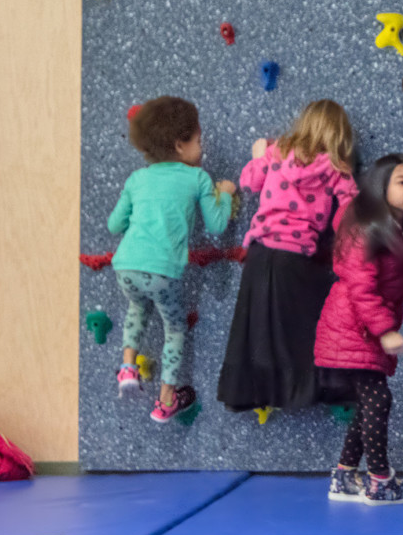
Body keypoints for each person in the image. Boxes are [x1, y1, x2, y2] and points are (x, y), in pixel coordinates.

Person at [217, 98, 358, 413]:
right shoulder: (335, 166)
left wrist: (256, 155)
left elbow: (248, 182)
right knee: (308, 325)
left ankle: (255, 391)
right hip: (295, 256)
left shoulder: (278, 150)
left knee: (256, 327)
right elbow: (348, 209)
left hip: (259, 253)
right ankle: (311, 388)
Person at [317, 154, 403, 505]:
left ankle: (343, 477)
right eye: (401, 182)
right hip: (352, 328)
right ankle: (380, 481)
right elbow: (362, 287)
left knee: (368, 402)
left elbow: (391, 281)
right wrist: (385, 330)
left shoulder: (401, 230)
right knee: (378, 399)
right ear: (381, 187)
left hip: (364, 328)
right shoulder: (366, 229)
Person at [108, 96, 235, 422]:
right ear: (180, 145)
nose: (202, 147)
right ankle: (166, 400)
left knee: (137, 309)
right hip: (162, 272)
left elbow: (114, 225)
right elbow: (218, 225)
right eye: (198, 140)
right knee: (175, 328)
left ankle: (127, 367)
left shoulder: (137, 179)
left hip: (125, 266)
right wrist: (225, 194)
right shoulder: (198, 179)